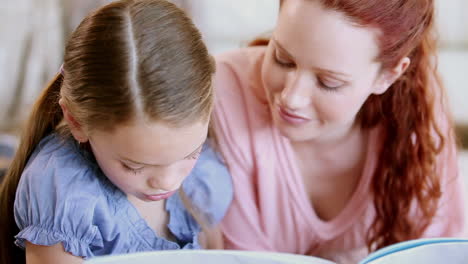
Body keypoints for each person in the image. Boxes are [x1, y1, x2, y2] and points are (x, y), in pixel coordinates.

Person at [212, 0, 466, 263]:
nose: (291, 98)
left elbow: (439, 250)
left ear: (387, 76)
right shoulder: (227, 90)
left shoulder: (419, 110)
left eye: (328, 82)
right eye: (282, 59)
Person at [0, 0, 232, 263]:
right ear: (76, 123)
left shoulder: (205, 177)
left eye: (191, 154)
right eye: (134, 166)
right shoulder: (65, 193)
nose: (168, 182)